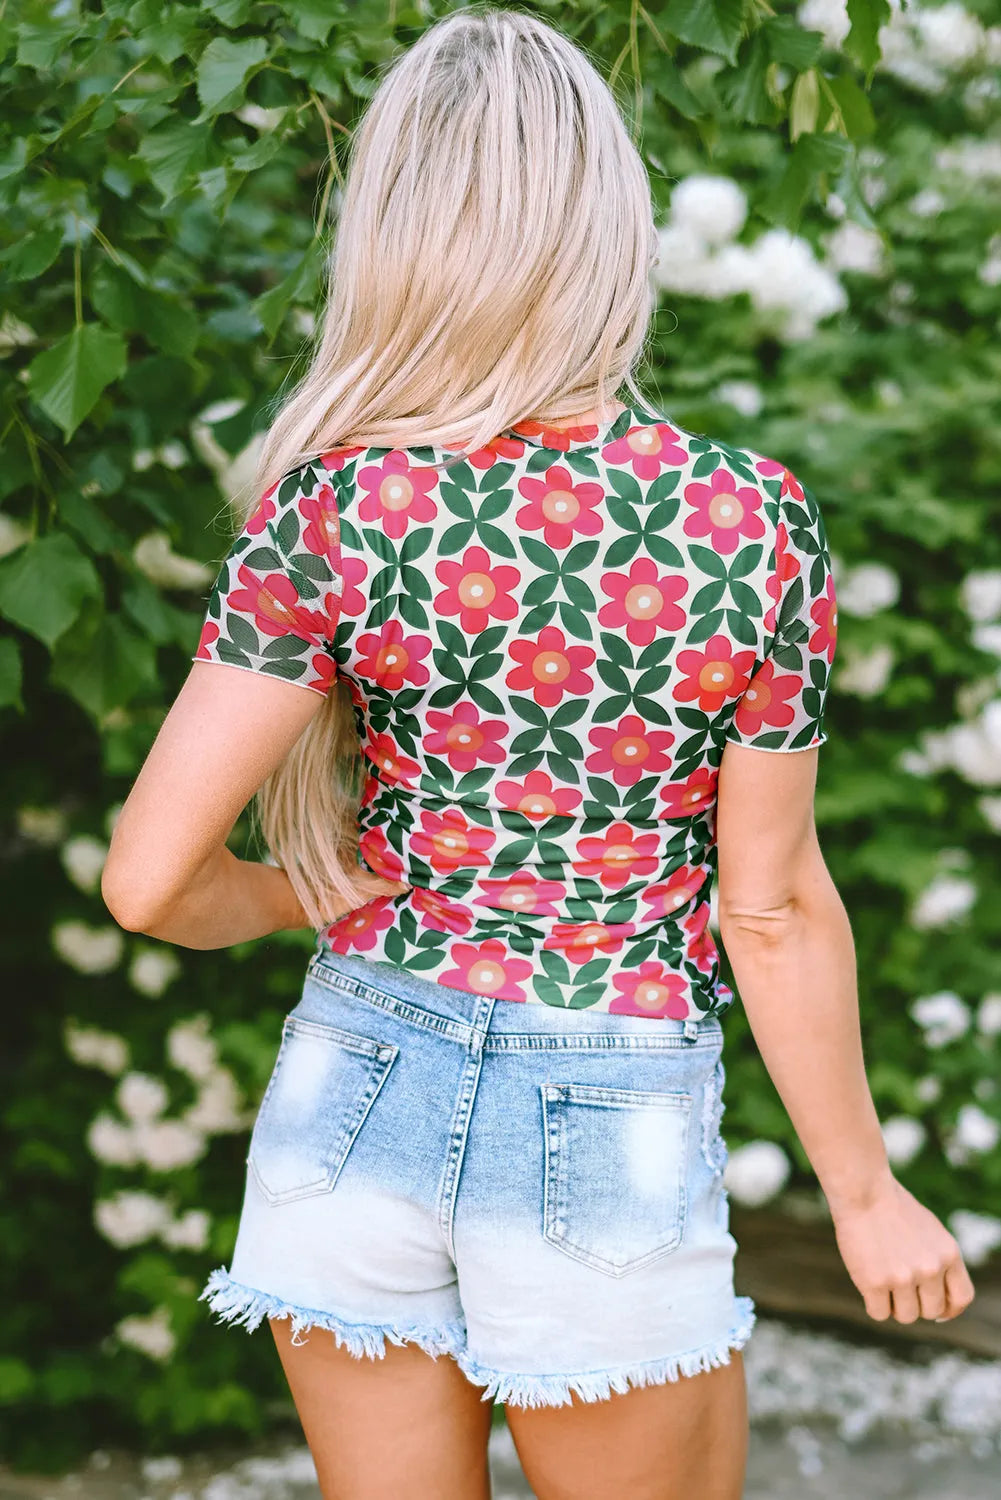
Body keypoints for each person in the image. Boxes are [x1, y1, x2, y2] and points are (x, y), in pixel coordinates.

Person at [101, 6, 975, 1498]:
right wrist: (864, 1189)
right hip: (607, 1107)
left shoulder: (333, 509)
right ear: (607, 228)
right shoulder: (743, 521)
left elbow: (144, 883)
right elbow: (763, 907)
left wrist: (286, 898)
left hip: (353, 1087)